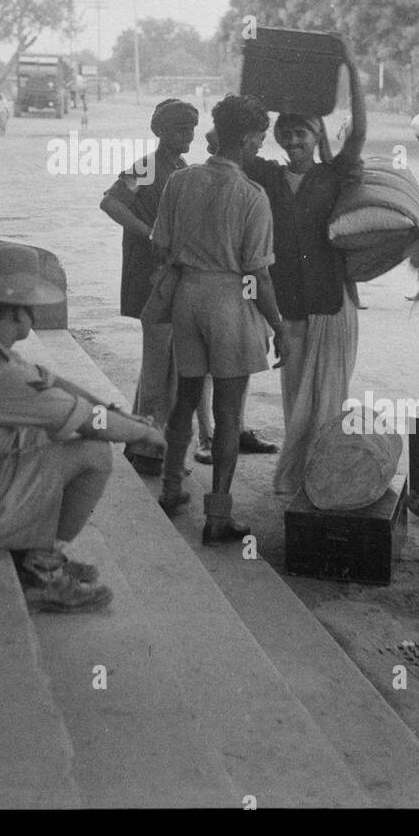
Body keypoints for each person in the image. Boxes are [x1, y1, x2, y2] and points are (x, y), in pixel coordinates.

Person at [0, 244, 165, 613]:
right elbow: (94, 427)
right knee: (93, 454)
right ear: (17, 312)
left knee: (50, 430)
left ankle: (31, 550)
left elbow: (53, 382)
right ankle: (43, 569)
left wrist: (117, 412)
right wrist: (147, 434)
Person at [152, 94, 284, 544]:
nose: (260, 148)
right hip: (230, 299)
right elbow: (258, 275)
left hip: (188, 294)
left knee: (186, 396)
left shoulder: (180, 181)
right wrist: (279, 327)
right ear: (247, 139)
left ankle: (171, 489)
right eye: (260, 139)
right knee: (229, 414)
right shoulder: (252, 196)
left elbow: (162, 244)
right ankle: (218, 517)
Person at [243, 48, 366, 497]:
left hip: (333, 303)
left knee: (329, 398)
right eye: (287, 133)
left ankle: (325, 476)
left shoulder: (334, 175)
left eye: (303, 133)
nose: (295, 141)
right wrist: (260, 77)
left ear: (317, 138)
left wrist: (350, 69)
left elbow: (360, 132)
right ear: (277, 137)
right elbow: (226, 134)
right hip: (289, 304)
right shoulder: (265, 175)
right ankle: (298, 477)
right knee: (296, 399)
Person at [99, 98, 216, 472]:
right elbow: (110, 202)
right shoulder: (148, 167)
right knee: (156, 365)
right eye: (180, 128)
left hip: (170, 276)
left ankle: (147, 444)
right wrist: (149, 234)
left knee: (169, 366)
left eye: (191, 128)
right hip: (150, 276)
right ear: (160, 131)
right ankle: (148, 451)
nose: (188, 134)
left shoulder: (180, 166)